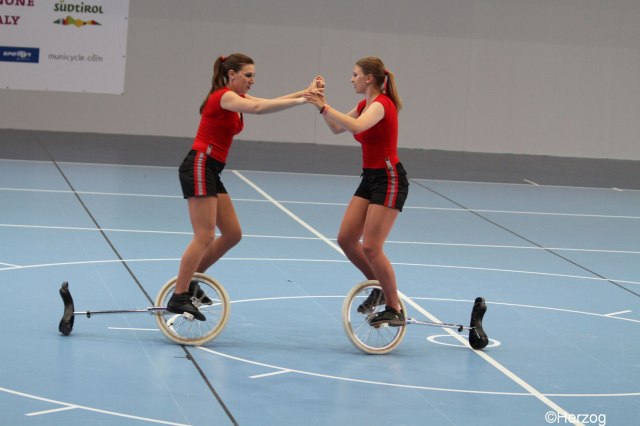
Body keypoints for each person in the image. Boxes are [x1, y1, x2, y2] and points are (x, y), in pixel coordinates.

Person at [167, 53, 320, 320]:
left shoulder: (237, 99)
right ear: (232, 74)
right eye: (248, 75)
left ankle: (191, 280)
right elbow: (260, 109)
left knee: (232, 233)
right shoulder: (224, 97)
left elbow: (268, 101)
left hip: (211, 169)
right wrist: (303, 101)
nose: (252, 80)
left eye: (253, 75)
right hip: (200, 165)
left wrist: (306, 92)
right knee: (204, 236)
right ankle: (179, 296)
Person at [304, 57, 408, 326]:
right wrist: (320, 102)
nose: (351, 79)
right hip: (370, 178)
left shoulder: (382, 105)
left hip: (389, 179)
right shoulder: (364, 105)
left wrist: (324, 106)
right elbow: (337, 127)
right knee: (346, 239)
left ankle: (394, 307)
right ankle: (377, 286)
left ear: (369, 78)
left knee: (372, 246)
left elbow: (358, 126)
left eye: (355, 74)